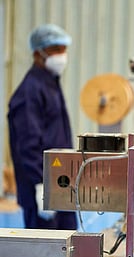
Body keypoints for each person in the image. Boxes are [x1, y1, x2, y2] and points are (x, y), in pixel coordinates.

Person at [7, 24, 77, 230]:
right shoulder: (29, 92)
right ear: (38, 53)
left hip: (60, 183)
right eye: (56, 50)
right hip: (42, 188)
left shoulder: (50, 83)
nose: (62, 55)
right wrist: (41, 185)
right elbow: (27, 145)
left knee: (68, 247)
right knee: (45, 252)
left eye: (64, 49)